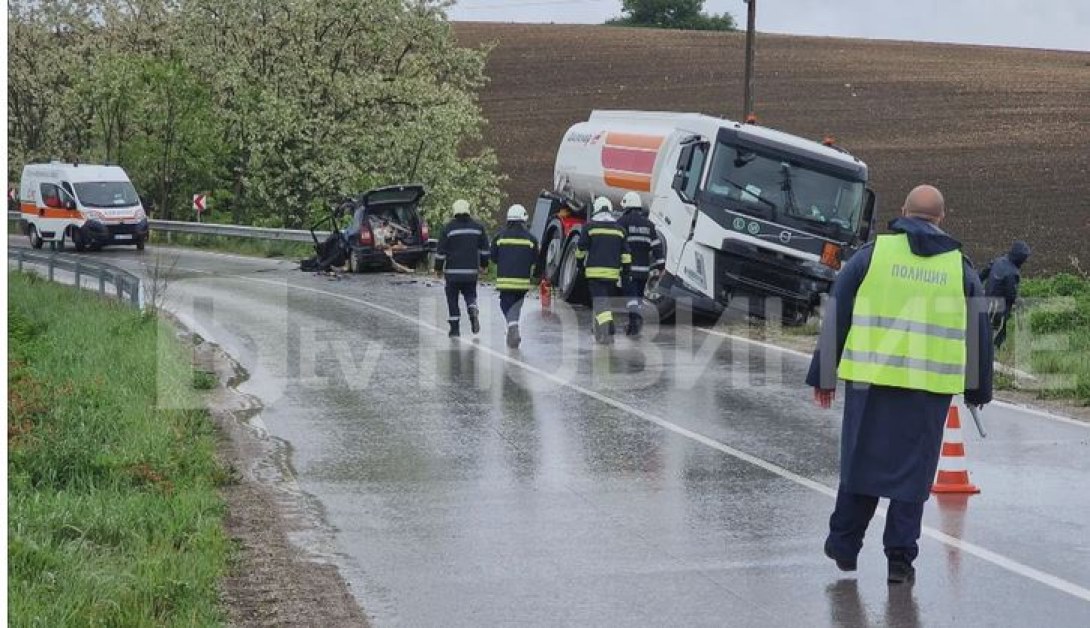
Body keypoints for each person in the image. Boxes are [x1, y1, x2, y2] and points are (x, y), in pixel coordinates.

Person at [806, 185, 993, 585]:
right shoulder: (959, 269)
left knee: (860, 464)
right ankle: (900, 562)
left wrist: (824, 375)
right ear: (941, 219)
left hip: (869, 383)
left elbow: (838, 308)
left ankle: (843, 545)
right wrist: (977, 390)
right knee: (912, 477)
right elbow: (979, 330)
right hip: (928, 392)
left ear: (903, 211)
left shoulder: (873, 255)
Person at [576, 197, 631, 345]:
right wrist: (626, 272)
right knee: (605, 303)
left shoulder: (589, 227)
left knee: (600, 303)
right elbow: (626, 255)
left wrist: (579, 265)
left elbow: (581, 249)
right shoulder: (620, 230)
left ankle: (608, 329)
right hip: (612, 275)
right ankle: (607, 329)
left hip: (594, 273)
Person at [434, 199, 490, 337]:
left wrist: (438, 269)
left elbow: (440, 253)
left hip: (452, 273)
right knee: (470, 294)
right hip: (471, 272)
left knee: (452, 298)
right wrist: (484, 265)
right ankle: (472, 309)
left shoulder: (447, 228)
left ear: (454, 211)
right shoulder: (478, 227)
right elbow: (485, 250)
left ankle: (454, 329)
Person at [490, 204, 539, 348]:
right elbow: (535, 259)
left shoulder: (499, 237)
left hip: (505, 281)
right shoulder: (531, 239)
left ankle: (513, 328)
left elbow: (493, 258)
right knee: (516, 306)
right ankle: (513, 330)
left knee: (504, 304)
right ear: (523, 220)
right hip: (523, 282)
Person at [616, 191, 664, 336]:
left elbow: (616, 244)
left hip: (628, 269)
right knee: (638, 297)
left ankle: (634, 324)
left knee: (631, 298)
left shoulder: (622, 223)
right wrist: (661, 266)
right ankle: (634, 323)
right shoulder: (649, 225)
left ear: (628, 206)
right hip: (643, 271)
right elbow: (657, 246)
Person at [979, 240, 1031, 349]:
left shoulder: (998, 261)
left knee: (984, 332)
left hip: (985, 303)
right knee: (997, 336)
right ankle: (993, 357)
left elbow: (983, 274)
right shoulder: (1013, 273)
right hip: (999, 311)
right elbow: (1011, 295)